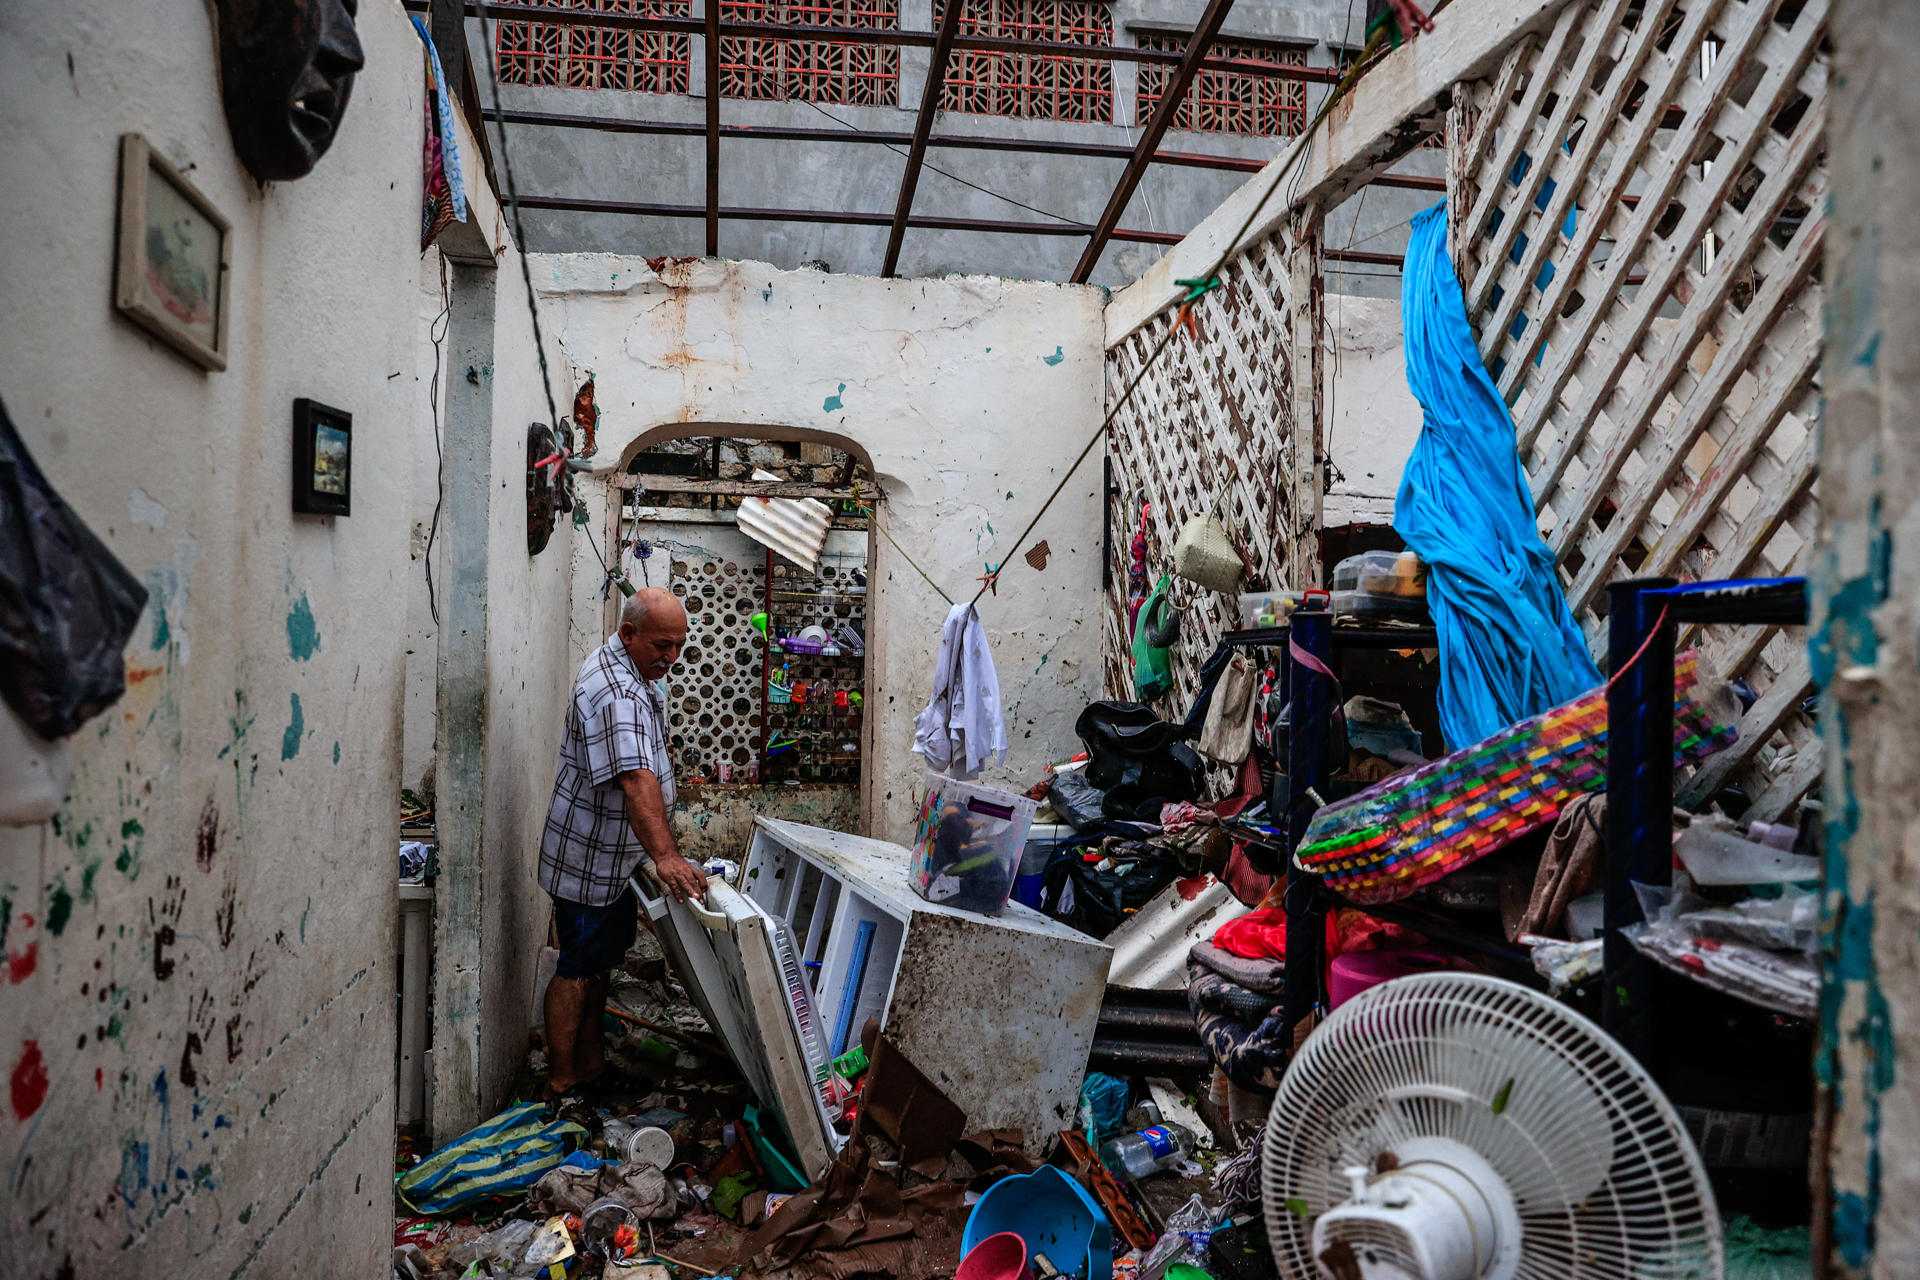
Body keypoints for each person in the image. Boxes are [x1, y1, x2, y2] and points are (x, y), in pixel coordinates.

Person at [537, 587, 707, 1099]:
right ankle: (562, 1080)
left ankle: (590, 1066)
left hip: (609, 857)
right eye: (661, 646)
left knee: (598, 965)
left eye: (678, 646)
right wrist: (667, 858)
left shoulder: (626, 667)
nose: (671, 658)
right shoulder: (618, 692)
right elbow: (636, 780)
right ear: (628, 634)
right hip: (590, 859)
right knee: (577, 968)